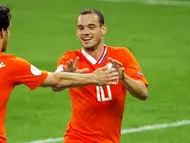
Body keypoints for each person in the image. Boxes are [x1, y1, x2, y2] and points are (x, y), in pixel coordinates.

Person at [0, 5, 120, 143]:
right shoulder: (9, 64)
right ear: (2, 32)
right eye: (9, 30)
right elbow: (55, 79)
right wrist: (94, 77)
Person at [53, 8, 149, 143]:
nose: (85, 32)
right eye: (81, 28)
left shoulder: (121, 55)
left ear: (102, 29)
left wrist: (123, 78)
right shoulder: (71, 59)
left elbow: (143, 93)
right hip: (77, 138)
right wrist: (71, 76)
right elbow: (56, 83)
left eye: (91, 27)